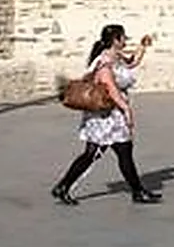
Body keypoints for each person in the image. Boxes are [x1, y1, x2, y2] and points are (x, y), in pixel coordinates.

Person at [51, 24, 163, 206]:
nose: (125, 40)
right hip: (107, 116)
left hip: (109, 115)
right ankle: (64, 186)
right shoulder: (105, 62)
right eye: (123, 37)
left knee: (120, 152)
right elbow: (111, 88)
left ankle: (137, 191)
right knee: (98, 154)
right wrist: (127, 110)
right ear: (116, 40)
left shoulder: (115, 56)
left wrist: (143, 46)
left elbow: (132, 62)